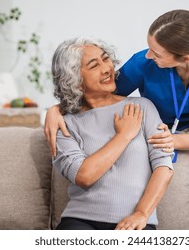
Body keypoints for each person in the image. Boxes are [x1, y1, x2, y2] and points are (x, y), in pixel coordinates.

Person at [45, 9, 189, 157]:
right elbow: (99, 95)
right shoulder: (142, 62)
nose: (149, 55)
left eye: (157, 53)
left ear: (185, 58)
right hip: (157, 135)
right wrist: (56, 110)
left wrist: (174, 140)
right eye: (149, 47)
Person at [51, 37, 174, 230]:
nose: (107, 68)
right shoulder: (63, 123)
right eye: (93, 65)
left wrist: (141, 214)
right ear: (76, 82)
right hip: (79, 221)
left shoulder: (142, 107)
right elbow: (84, 176)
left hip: (136, 223)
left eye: (105, 58)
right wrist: (123, 135)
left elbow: (164, 167)